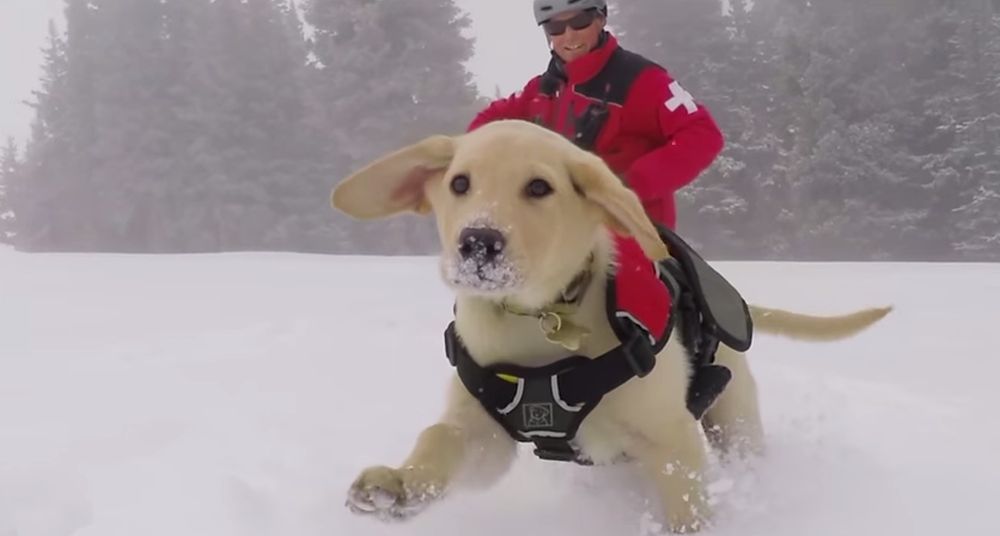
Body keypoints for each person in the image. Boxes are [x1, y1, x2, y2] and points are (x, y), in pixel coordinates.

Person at [467, 0, 724, 231]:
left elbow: (702, 134)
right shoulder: (544, 88)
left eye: (579, 22)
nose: (569, 35)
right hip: (561, 235)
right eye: (555, 28)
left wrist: (629, 184)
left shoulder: (642, 80)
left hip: (630, 232)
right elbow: (487, 126)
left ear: (601, 18)